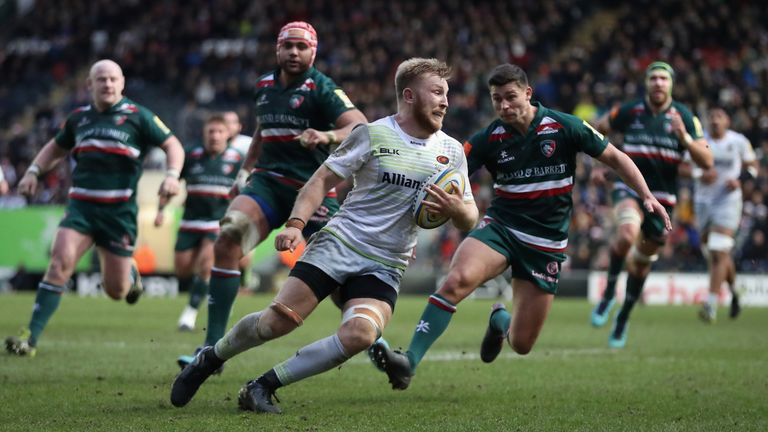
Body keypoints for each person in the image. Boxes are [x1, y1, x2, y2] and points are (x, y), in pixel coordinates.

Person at [170, 57, 478, 413]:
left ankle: (262, 387)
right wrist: (296, 224)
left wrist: (458, 211)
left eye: (447, 94)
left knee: (361, 334)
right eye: (437, 92)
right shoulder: (373, 134)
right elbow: (320, 181)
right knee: (276, 322)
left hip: (386, 263)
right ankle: (211, 357)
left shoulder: (452, 150)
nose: (445, 101)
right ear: (409, 95)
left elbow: (469, 217)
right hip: (340, 244)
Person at [369, 63, 672, 390]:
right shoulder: (489, 138)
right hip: (501, 228)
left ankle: (501, 322)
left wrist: (646, 197)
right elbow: (442, 180)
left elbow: (616, 158)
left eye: (511, 97)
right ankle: (408, 362)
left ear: (528, 93)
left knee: (523, 344)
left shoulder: (564, 126)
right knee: (458, 280)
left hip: (546, 245)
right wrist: (414, 224)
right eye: (497, 99)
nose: (504, 106)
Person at [175, 21, 368, 369]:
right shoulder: (264, 85)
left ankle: (373, 339)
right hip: (268, 181)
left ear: (313, 52)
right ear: (277, 49)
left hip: (312, 188)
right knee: (229, 237)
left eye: (302, 47)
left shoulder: (321, 88)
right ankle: (210, 350)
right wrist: (246, 172)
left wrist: (325, 137)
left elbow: (360, 126)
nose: (294, 52)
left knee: (338, 279)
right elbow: (262, 132)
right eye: (288, 46)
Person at [4, 59, 184, 357]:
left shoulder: (139, 117)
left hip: (118, 214)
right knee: (59, 263)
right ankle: (29, 338)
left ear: (122, 82)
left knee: (116, 291)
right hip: (81, 209)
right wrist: (34, 171)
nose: (108, 84)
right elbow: (56, 147)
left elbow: (173, 145)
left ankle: (130, 275)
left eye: (113, 79)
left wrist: (172, 176)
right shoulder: (79, 119)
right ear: (90, 84)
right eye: (101, 79)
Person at [589, 61, 713, 347]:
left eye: (663, 79)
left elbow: (706, 161)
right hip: (628, 187)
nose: (658, 83)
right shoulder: (630, 111)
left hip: (663, 199)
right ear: (647, 83)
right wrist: (603, 163)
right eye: (653, 78)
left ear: (671, 84)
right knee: (626, 233)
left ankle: (623, 317)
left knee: (641, 266)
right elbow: (599, 129)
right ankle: (608, 294)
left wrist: (683, 137)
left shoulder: (684, 116)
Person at [154, 114, 243, 331]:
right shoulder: (190, 154)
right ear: (204, 133)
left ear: (227, 134)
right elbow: (171, 183)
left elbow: (247, 190)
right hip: (190, 222)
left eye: (219, 132)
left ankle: (189, 314)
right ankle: (220, 293)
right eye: (211, 131)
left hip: (218, 224)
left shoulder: (237, 160)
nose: (215, 136)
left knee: (206, 264)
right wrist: (161, 209)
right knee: (182, 269)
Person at [693, 107, 757, 322]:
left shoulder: (738, 141)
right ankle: (735, 292)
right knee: (715, 254)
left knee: (718, 250)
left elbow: (753, 167)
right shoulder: (700, 142)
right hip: (703, 202)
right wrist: (699, 174)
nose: (715, 121)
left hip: (728, 202)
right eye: (711, 117)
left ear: (727, 121)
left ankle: (710, 305)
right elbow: (684, 167)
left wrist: (740, 180)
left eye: (719, 117)